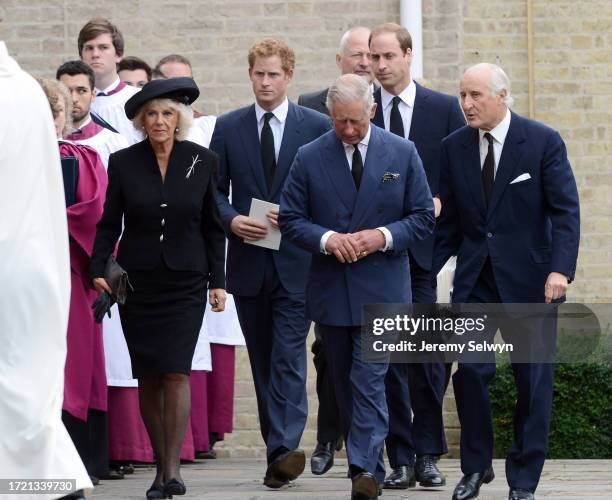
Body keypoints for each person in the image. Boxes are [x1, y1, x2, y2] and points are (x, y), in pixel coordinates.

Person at [280, 73, 435, 500]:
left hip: (383, 287)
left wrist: (380, 236)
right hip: (331, 289)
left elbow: (423, 216)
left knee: (370, 379)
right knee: (345, 384)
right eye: (339, 122)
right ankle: (367, 463)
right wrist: (328, 239)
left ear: (371, 110)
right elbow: (290, 219)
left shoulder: (401, 152)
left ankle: (364, 470)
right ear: (330, 115)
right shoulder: (309, 156)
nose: (348, 130)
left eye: (355, 121)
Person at [432, 63, 580, 500]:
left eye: (476, 95)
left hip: (533, 282)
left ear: (502, 96)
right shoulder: (453, 146)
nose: (467, 104)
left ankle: (524, 480)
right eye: (462, 95)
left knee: (532, 383)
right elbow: (450, 225)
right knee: (472, 374)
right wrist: (421, 277)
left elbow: (565, 211)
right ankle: (476, 468)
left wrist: (560, 270)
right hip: (476, 279)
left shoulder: (541, 141)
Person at [90, 77, 227, 499]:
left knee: (176, 371)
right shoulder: (125, 162)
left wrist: (218, 283)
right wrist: (98, 267)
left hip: (187, 280)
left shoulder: (202, 160)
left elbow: (212, 225)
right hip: (140, 281)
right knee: (148, 373)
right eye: (150, 114)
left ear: (180, 118)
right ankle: (159, 468)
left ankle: (170, 471)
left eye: (167, 113)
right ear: (140, 121)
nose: (159, 121)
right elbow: (110, 221)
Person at [209, 37, 330, 488]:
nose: (265, 81)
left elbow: (329, 189)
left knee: (288, 356)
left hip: (299, 264)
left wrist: (302, 221)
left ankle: (284, 446)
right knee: (262, 360)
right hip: (249, 262)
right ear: (250, 75)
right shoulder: (229, 126)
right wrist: (233, 220)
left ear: (289, 76)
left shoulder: (315, 126)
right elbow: (213, 191)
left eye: (273, 74)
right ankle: (276, 450)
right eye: (259, 73)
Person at [369, 22, 466, 490]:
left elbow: (459, 171)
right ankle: (400, 458)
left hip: (424, 255)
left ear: (408, 56)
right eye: (374, 57)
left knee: (425, 357)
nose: (381, 65)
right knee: (387, 359)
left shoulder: (445, 109)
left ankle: (429, 454)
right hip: (372, 256)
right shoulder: (361, 109)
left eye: (389, 56)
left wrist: (442, 199)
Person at [0, 40, 92, 500]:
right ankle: (57, 480)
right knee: (27, 380)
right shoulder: (27, 94)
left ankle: (37, 484)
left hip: (7, 255)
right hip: (35, 258)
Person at [297, 26, 375, 475]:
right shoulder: (312, 112)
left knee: (378, 369)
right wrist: (326, 238)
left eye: (373, 54)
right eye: (357, 55)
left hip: (383, 265)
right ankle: (329, 439)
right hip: (326, 264)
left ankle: (373, 458)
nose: (367, 62)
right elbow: (298, 196)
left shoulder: (403, 130)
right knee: (329, 356)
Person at [37, 77, 113, 488]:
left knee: (76, 367)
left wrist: (40, 216)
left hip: (72, 273)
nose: (50, 120)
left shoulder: (82, 157)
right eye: (42, 112)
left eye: (56, 111)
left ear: (66, 116)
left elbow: (93, 213)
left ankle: (79, 460)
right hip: (23, 275)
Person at [78, 18, 142, 144]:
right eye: (89, 48)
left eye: (103, 47)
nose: (95, 54)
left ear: (118, 55)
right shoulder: (70, 103)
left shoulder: (139, 99)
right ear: (81, 55)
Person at [57, 60, 129, 168]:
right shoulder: (45, 141)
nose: (73, 98)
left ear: (93, 94)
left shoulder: (115, 143)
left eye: (82, 91)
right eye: (66, 91)